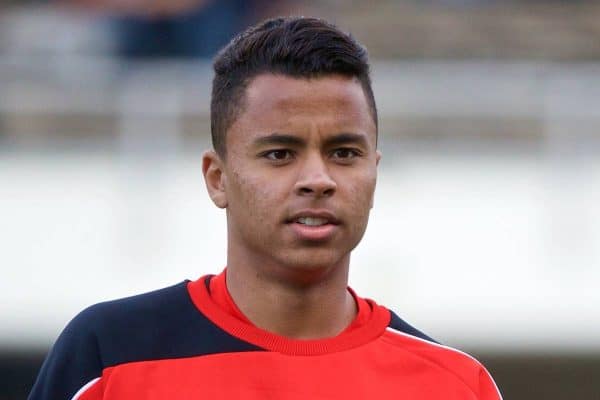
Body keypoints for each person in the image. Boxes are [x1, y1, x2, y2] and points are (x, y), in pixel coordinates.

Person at [29, 16, 502, 399]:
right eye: (279, 154)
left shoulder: (454, 384)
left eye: (344, 153)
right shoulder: (108, 358)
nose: (318, 179)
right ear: (218, 179)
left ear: (374, 174)